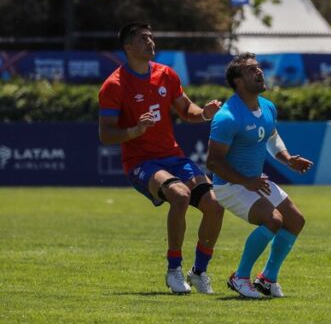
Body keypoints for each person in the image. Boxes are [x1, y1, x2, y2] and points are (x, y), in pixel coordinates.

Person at [98, 22, 225, 294]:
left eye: (151, 37)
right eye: (143, 38)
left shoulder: (166, 74)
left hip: (173, 157)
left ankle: (199, 272)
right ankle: (174, 270)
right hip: (141, 163)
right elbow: (106, 135)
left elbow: (187, 110)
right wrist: (135, 130)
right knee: (179, 196)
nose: (150, 42)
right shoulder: (114, 85)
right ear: (128, 47)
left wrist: (204, 112)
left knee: (215, 204)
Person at [207, 53, 313, 299]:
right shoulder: (227, 117)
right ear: (238, 81)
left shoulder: (267, 106)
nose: (260, 72)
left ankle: (267, 279)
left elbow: (272, 137)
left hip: (254, 182)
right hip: (229, 186)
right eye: (251, 70)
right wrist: (246, 181)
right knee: (273, 220)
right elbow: (213, 161)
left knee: (295, 220)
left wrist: (287, 159)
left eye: (259, 68)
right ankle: (240, 277)